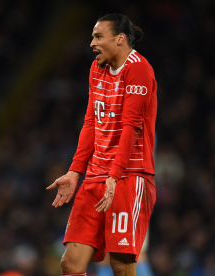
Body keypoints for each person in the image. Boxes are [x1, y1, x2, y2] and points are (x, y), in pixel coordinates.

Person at [46, 14, 157, 276]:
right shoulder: (97, 68)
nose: (91, 43)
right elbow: (91, 122)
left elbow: (130, 126)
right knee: (70, 263)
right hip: (96, 176)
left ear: (119, 39)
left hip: (129, 176)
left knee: (121, 264)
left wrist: (114, 175)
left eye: (98, 37)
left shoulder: (139, 69)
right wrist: (75, 172)